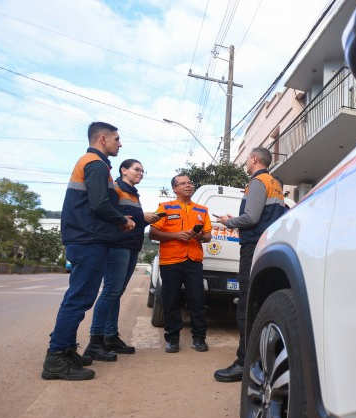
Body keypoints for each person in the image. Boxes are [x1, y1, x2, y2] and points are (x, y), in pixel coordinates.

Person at [42, 122, 135, 381]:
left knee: (79, 298)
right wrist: (123, 220)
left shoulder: (94, 163)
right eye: (117, 138)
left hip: (87, 238)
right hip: (87, 239)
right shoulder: (95, 164)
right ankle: (57, 357)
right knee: (79, 299)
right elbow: (100, 204)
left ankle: (66, 350)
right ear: (103, 139)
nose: (120, 143)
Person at [213, 147, 286, 382]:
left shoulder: (258, 181)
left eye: (247, 158)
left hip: (253, 245)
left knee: (246, 304)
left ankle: (244, 362)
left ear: (254, 159)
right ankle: (263, 360)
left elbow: (250, 218)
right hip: (267, 246)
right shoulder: (275, 184)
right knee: (260, 303)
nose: (246, 162)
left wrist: (228, 221)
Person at [84, 159, 160, 361]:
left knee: (116, 293)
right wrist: (142, 215)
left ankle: (110, 337)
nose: (140, 173)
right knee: (110, 291)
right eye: (137, 169)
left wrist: (144, 218)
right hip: (117, 245)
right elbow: (113, 213)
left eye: (143, 171)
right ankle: (95, 341)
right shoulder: (116, 187)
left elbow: (132, 219)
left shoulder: (134, 193)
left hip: (131, 245)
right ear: (123, 170)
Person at [149, 175, 212, 353]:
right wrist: (176, 235)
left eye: (190, 183)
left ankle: (199, 338)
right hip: (171, 260)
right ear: (175, 189)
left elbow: (208, 236)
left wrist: (198, 235)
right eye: (183, 183)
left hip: (193, 261)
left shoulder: (202, 210)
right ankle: (172, 338)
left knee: (198, 300)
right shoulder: (165, 208)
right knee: (171, 300)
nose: (188, 186)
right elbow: (153, 233)